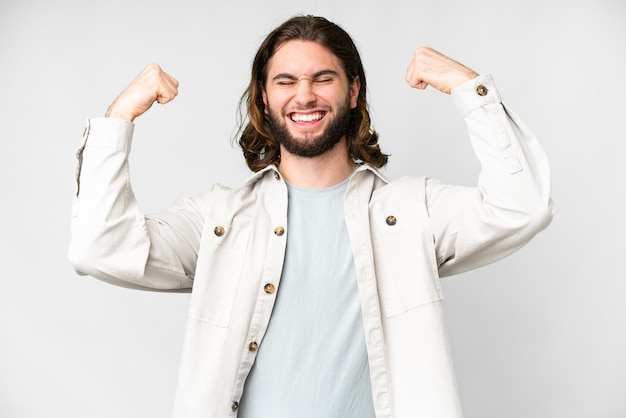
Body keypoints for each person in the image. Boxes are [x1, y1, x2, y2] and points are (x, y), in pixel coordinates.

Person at [69, 15, 553, 418]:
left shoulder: (411, 212)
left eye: (323, 78)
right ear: (263, 97)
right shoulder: (218, 220)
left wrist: (469, 89)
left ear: (354, 91)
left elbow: (522, 207)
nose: (305, 96)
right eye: (286, 81)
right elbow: (100, 249)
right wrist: (118, 119)